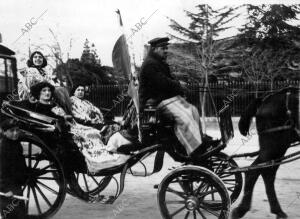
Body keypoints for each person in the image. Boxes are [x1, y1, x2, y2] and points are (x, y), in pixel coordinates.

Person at [139, 37, 219, 158]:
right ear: (154, 49)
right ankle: (193, 149)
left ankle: (199, 139)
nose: (166, 50)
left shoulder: (159, 62)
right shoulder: (150, 64)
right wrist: (178, 85)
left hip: (164, 99)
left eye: (166, 48)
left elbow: (169, 80)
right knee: (184, 116)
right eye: (163, 48)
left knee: (193, 110)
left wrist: (178, 86)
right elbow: (162, 83)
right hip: (155, 102)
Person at [29, 81, 129, 173]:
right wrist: (63, 118)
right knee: (83, 135)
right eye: (44, 91)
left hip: (69, 126)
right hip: (55, 132)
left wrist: (65, 117)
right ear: (38, 93)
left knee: (93, 131)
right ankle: (86, 162)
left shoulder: (53, 105)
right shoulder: (38, 106)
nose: (47, 93)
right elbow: (49, 119)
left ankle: (99, 157)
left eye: (49, 90)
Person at [0, 119, 26, 219]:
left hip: (16, 186)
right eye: (12, 131)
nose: (15, 133)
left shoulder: (16, 144)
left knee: (20, 213)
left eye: (17, 130)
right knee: (10, 214)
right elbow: (1, 171)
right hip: (7, 189)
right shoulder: (3, 148)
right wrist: (5, 189)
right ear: (4, 132)